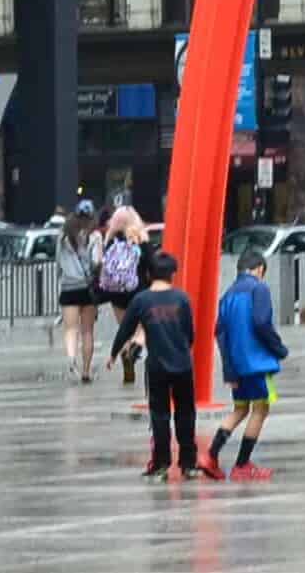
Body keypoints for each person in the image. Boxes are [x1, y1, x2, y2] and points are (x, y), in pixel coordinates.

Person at [110, 252, 219, 482]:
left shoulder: (141, 300)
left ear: (149, 274)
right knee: (186, 414)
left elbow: (126, 329)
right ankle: (188, 464)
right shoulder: (182, 299)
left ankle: (161, 465)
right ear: (173, 274)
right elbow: (190, 333)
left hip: (157, 366)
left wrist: (113, 354)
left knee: (159, 416)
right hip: (182, 365)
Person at [209, 246, 288, 481]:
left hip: (236, 365)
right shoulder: (258, 288)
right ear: (260, 269)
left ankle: (211, 455)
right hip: (257, 363)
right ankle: (242, 464)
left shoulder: (228, 294)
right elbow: (262, 322)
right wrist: (278, 348)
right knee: (261, 409)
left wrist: (229, 369)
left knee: (240, 409)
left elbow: (219, 331)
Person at [96, 206, 147, 384]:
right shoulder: (140, 239)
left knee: (125, 327)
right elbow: (149, 264)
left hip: (116, 293)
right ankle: (136, 345)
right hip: (137, 291)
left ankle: (126, 353)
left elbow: (103, 267)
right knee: (142, 327)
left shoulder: (110, 241)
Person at [55, 199, 100, 383]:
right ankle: (86, 371)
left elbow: (58, 261)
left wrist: (62, 276)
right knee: (87, 331)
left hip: (68, 288)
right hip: (87, 289)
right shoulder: (94, 236)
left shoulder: (63, 236)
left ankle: (71, 359)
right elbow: (97, 262)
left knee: (70, 330)